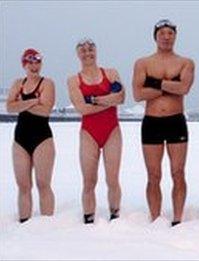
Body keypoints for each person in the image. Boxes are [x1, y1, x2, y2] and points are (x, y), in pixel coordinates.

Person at [132, 19, 194, 226]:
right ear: (155, 36)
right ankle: (155, 218)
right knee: (154, 174)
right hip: (152, 122)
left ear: (175, 36)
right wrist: (171, 85)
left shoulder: (185, 62)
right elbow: (138, 94)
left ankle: (177, 218)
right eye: (162, 33)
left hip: (176, 121)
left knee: (178, 172)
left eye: (170, 33)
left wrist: (154, 82)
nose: (166, 37)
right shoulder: (143, 63)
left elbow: (184, 88)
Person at [67, 38, 125, 224]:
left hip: (112, 130)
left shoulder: (111, 72)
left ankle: (115, 215)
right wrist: (108, 99)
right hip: (89, 133)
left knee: (112, 178)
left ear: (96, 51)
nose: (87, 53)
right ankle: (88, 218)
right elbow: (82, 109)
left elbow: (122, 97)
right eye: (83, 50)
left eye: (91, 49)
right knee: (89, 180)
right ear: (78, 55)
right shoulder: (74, 80)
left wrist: (94, 99)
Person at [6, 48, 56, 223]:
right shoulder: (17, 83)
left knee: (43, 184)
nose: (34, 66)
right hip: (20, 139)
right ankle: (24, 222)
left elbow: (45, 111)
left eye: (37, 62)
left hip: (42, 138)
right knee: (23, 186)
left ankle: (47, 224)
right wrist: (34, 100)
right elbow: (9, 107)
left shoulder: (47, 83)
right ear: (24, 65)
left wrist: (21, 103)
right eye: (30, 63)